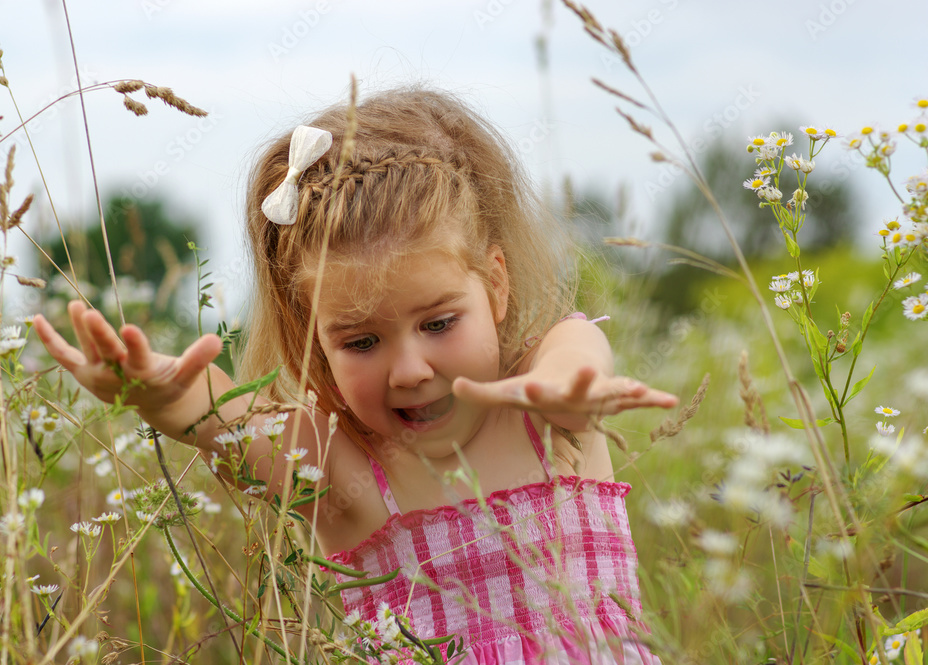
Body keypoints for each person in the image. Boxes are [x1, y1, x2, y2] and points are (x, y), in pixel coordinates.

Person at [33, 87, 677, 664]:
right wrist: (171, 398)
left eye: (439, 323)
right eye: (362, 340)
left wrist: (570, 383)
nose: (410, 369)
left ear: (497, 284)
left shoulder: (546, 414)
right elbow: (221, 421)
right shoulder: (341, 469)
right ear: (314, 335)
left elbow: (577, 352)